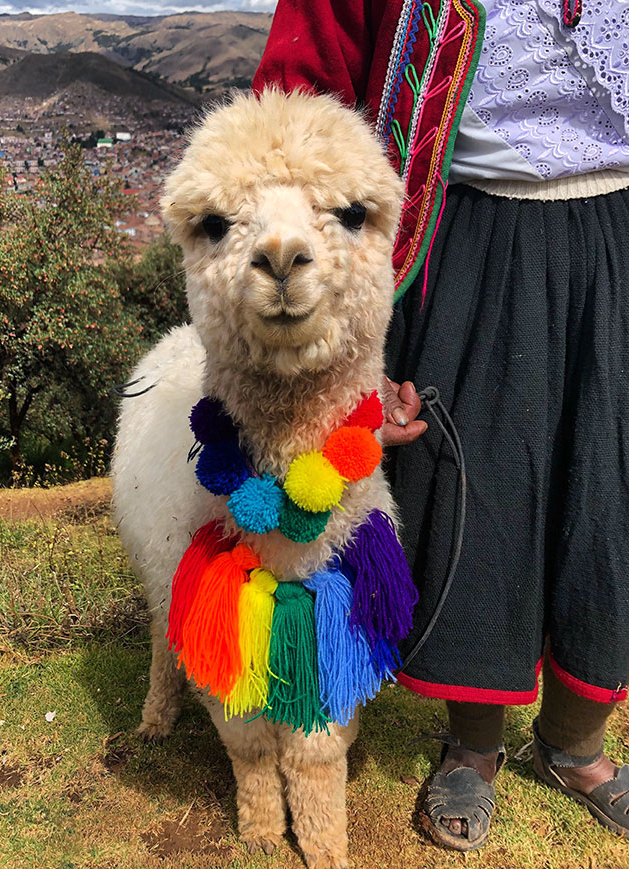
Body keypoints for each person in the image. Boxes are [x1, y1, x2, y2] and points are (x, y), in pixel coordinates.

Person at [254, 0, 629, 850]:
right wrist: (327, 330)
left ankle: (576, 744)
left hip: (619, 225)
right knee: (476, 490)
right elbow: (297, 103)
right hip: (472, 233)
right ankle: (474, 744)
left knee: (610, 492)